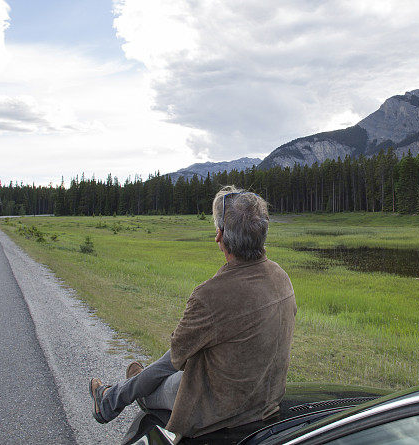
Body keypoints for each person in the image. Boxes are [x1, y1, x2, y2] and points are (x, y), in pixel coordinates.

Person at [88, 186, 297, 439]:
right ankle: (118, 393)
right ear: (262, 232)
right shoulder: (281, 276)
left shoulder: (210, 295)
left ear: (220, 236)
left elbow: (177, 354)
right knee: (172, 363)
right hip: (265, 398)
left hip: (220, 408)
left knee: (156, 380)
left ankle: (119, 395)